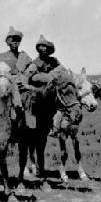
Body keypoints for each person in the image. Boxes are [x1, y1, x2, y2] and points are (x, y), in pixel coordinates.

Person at [0, 26, 33, 181]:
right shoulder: (2, 56)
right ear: (7, 41)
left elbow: (33, 68)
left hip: (23, 91)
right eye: (12, 39)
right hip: (8, 92)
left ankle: (37, 128)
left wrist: (27, 73)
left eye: (17, 39)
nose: (15, 41)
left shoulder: (25, 56)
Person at [23, 34, 62, 178]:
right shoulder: (34, 64)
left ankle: (56, 127)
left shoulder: (55, 62)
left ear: (49, 49)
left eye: (44, 46)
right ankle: (31, 163)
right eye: (40, 47)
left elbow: (61, 73)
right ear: (38, 49)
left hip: (51, 99)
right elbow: (26, 78)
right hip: (37, 99)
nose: (42, 49)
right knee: (33, 136)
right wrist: (34, 83)